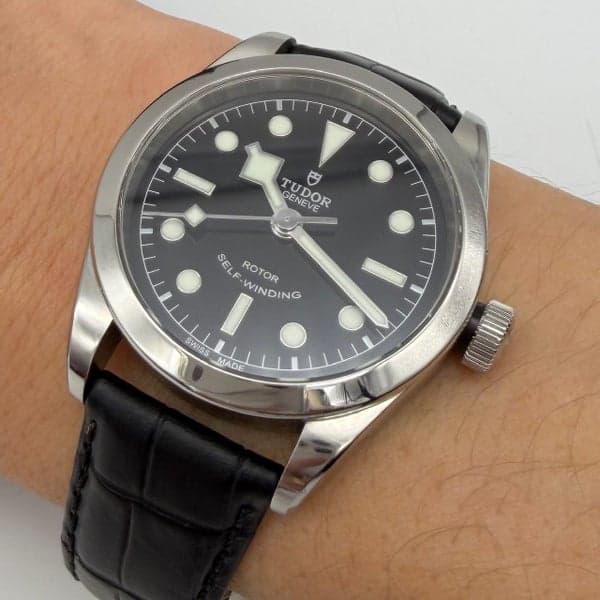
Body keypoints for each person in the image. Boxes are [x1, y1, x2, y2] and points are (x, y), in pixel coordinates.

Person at [1, 1, 599, 598]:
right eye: (280, 213)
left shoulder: (448, 194)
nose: (285, 223)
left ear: (466, 321)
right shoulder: (259, 70)